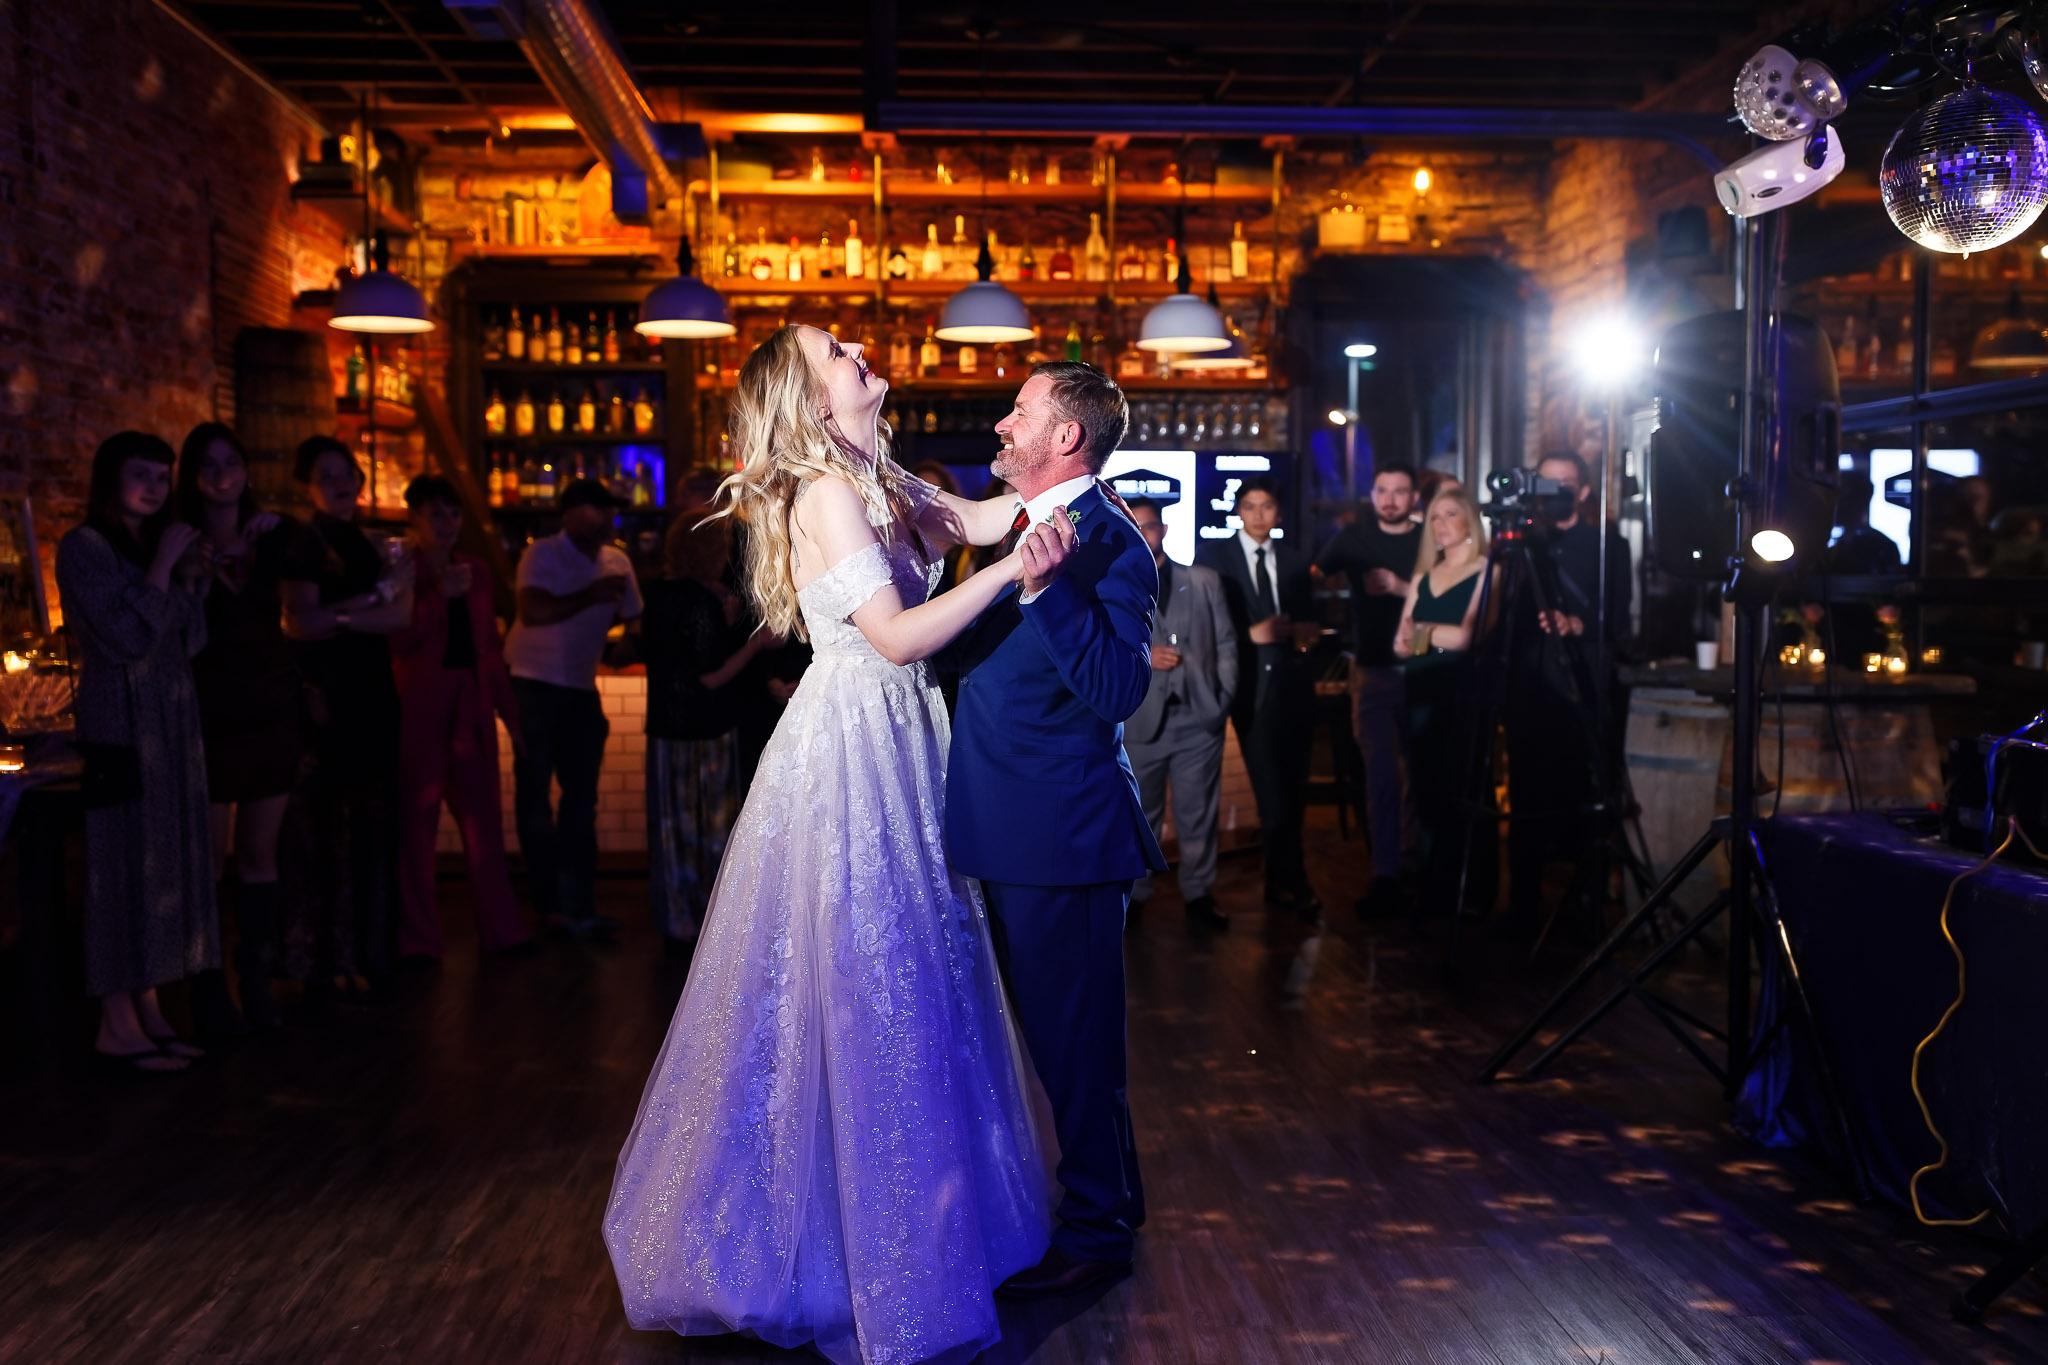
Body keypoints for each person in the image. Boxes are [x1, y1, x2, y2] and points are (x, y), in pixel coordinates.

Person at [606, 325, 1069, 1364]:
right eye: (834, 350)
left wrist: (1062, 476)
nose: (858, 347)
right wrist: (1012, 573)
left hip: (902, 737)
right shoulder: (822, 491)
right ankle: (844, 1250)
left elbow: (982, 516)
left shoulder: (882, 474)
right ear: (815, 401)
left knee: (924, 965)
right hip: (852, 745)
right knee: (865, 975)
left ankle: (926, 1227)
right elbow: (894, 637)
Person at [948, 359, 1164, 1296]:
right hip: (1010, 826)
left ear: (1065, 436)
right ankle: (1114, 1200)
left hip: (1061, 838)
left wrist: (1048, 592)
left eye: (1020, 410)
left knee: (1074, 1049)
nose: (1003, 423)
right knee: (1060, 1041)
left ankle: (1096, 1234)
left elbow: (1118, 688)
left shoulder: (1110, 542)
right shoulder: (1022, 522)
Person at [57, 432, 217, 1073]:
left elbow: (192, 640)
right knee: (122, 865)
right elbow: (123, 637)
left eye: (161, 476)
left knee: (164, 866)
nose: (154, 487)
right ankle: (115, 1023)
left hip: (171, 724)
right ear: (110, 480)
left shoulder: (152, 549)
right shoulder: (83, 548)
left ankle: (148, 1007)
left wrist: (192, 581)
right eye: (140, 474)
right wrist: (163, 568)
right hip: (122, 726)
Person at [177, 422, 312, 1034]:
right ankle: (207, 991)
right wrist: (190, 570)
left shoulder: (272, 535)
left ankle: (256, 981)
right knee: (207, 859)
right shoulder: (178, 540)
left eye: (231, 462)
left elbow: (322, 562)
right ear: (192, 476)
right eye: (208, 465)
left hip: (268, 705)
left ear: (247, 471)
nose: (221, 474)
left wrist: (283, 525)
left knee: (260, 853)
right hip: (208, 709)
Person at [284, 436, 410, 999]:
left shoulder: (369, 540)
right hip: (327, 695)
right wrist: (367, 605)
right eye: (326, 475)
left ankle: (370, 952)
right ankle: (324, 960)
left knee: (373, 825)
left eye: (347, 474)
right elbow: (300, 623)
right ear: (306, 486)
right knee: (325, 830)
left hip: (372, 691)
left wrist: (338, 616)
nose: (340, 484)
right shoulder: (304, 541)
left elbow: (400, 616)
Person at [390, 476, 528, 962]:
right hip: (421, 708)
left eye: (453, 513)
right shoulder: (403, 568)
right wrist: (437, 594)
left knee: (484, 827)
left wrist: (510, 715)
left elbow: (487, 648)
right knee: (416, 831)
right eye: (435, 514)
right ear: (414, 517)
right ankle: (417, 940)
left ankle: (501, 930)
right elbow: (398, 640)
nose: (447, 523)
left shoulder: (475, 569)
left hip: (470, 706)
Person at [503, 479, 643, 940]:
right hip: (533, 687)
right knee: (535, 800)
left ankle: (579, 906)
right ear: (569, 513)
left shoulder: (617, 561)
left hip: (581, 689)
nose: (606, 518)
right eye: (596, 509)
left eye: (609, 510)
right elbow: (532, 611)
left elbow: (632, 616)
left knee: (581, 803)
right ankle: (547, 907)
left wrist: (627, 646)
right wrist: (592, 594)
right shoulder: (541, 554)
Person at [1501, 451, 1632, 941]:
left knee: (1585, 795)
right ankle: (1523, 906)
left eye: (1566, 483)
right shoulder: (1522, 546)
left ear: (1583, 491)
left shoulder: (1609, 546)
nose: (1556, 491)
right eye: (1547, 482)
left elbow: (1620, 620)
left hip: (1582, 686)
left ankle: (1584, 905)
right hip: (1531, 690)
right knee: (1527, 797)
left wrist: (1578, 624)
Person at [639, 510, 768, 955]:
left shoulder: (659, 593)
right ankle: (710, 925)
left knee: (672, 830)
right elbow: (711, 677)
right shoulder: (700, 601)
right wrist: (755, 643)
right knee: (711, 830)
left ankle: (676, 917)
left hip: (665, 728)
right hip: (704, 729)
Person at [1198, 476, 1321, 920]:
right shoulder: (1214, 559)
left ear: (1278, 512)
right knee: (1272, 795)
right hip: (1248, 689)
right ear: (1238, 512)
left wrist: (1306, 634)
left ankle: (1280, 880)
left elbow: (1311, 621)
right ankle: (1292, 881)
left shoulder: (1295, 561)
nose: (1258, 515)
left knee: (1293, 790)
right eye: (1249, 506)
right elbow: (1207, 628)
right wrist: (1254, 635)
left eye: (1266, 506)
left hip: (1293, 687)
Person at [1313, 463, 1421, 915]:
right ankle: (1385, 874)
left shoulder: (1429, 537)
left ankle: (1416, 867)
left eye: (1400, 491)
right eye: (1383, 490)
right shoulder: (1353, 538)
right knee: (1380, 776)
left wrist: (1399, 587)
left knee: (1419, 775)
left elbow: (1453, 588)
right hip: (1372, 670)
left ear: (1414, 497)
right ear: (1372, 494)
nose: (1390, 499)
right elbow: (1314, 573)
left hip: (1423, 670)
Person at [1124, 497, 1236, 931]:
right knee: (1141, 815)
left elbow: (1226, 643)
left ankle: (1199, 894)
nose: (1142, 533)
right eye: (1133, 525)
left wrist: (1221, 699)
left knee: (1198, 813)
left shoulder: (1203, 581)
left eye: (1148, 525)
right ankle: (1136, 896)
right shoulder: (1115, 584)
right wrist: (1143, 657)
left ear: (1164, 530)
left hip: (1198, 719)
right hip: (1141, 719)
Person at [1392, 487, 1491, 912]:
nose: (1440, 524)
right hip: (1418, 690)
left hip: (1461, 691)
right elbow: (1398, 645)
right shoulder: (1423, 576)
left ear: (1470, 520)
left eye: (1450, 514)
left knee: (1463, 786)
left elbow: (1467, 637)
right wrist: (1433, 635)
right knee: (1425, 787)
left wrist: (1422, 632)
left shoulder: (1487, 571)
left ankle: (1471, 891)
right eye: (1434, 516)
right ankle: (1434, 886)